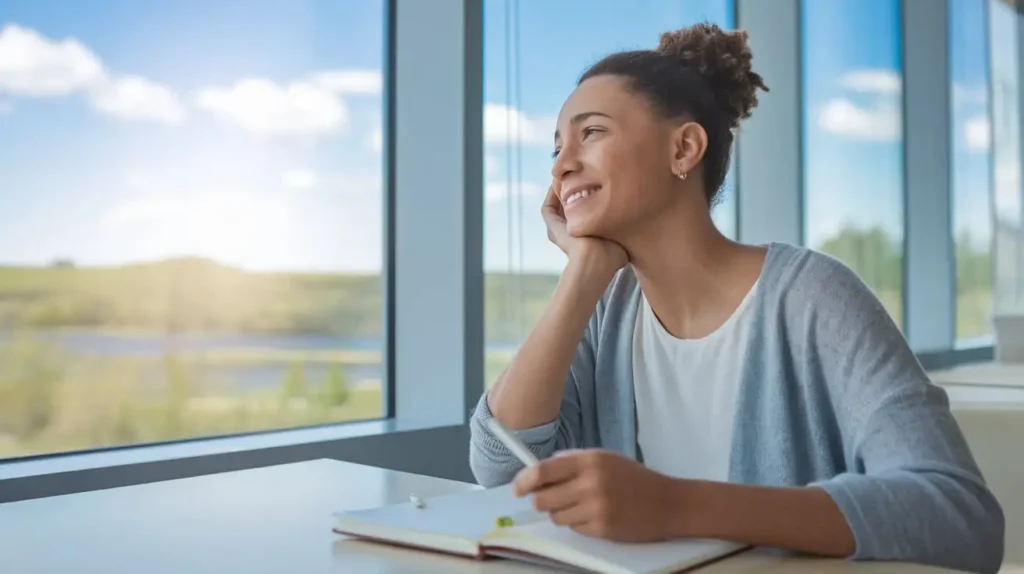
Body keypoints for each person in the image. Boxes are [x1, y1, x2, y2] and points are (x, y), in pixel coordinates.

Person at [468, 22, 1005, 574]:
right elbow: (499, 466)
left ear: (684, 147)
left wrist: (674, 505)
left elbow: (961, 516)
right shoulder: (607, 307)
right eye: (557, 147)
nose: (560, 165)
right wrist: (581, 275)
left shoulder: (814, 299)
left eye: (592, 133)